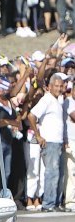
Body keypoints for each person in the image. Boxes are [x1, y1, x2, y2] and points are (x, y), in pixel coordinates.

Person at [28, 72, 66, 212]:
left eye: (61, 86)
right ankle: (48, 204)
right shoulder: (46, 100)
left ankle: (56, 202)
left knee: (59, 173)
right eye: (56, 86)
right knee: (51, 172)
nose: (59, 88)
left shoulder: (58, 100)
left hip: (58, 141)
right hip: (49, 141)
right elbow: (32, 115)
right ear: (49, 87)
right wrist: (38, 135)